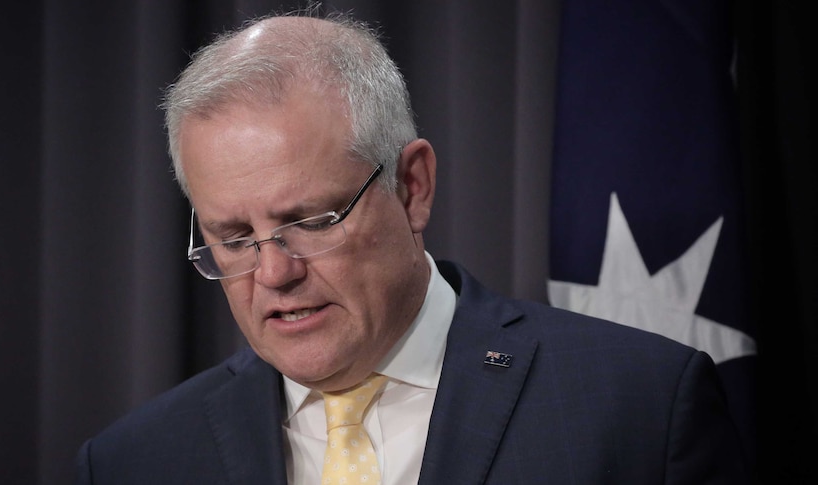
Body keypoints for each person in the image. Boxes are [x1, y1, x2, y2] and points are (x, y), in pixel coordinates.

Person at [75, 11, 748, 485]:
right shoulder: (133, 461)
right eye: (234, 238)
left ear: (413, 185)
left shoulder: (640, 407)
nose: (274, 272)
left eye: (312, 219)